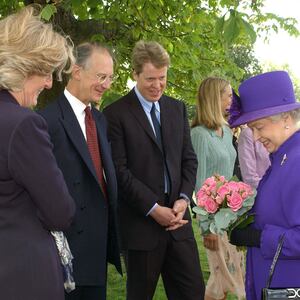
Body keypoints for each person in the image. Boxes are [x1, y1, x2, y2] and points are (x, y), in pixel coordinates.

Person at [103, 40, 205, 300]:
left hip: (179, 225)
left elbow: (189, 160)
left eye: (162, 78)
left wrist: (183, 198)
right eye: (150, 78)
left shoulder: (177, 108)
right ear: (134, 74)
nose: (157, 85)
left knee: (193, 293)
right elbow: (119, 171)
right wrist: (153, 209)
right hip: (140, 229)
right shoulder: (114, 114)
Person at [0, 6, 75, 300]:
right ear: (22, 67)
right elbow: (60, 211)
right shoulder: (23, 125)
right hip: (22, 275)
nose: (48, 83)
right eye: (45, 72)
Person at [38, 42, 122, 300]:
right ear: (76, 71)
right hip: (65, 253)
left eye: (110, 77)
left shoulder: (99, 119)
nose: (106, 84)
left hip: (97, 250)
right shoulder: (47, 120)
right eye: (101, 76)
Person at [229, 70, 300, 300]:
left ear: (286, 120)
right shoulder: (282, 158)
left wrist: (258, 238)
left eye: (259, 127)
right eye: (252, 129)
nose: (256, 137)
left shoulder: (296, 161)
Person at [190, 77, 245, 300]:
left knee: (229, 276)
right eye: (228, 95)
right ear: (215, 98)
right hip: (213, 220)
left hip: (232, 216)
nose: (232, 100)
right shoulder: (199, 135)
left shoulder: (227, 129)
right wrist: (207, 228)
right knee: (221, 278)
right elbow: (199, 183)